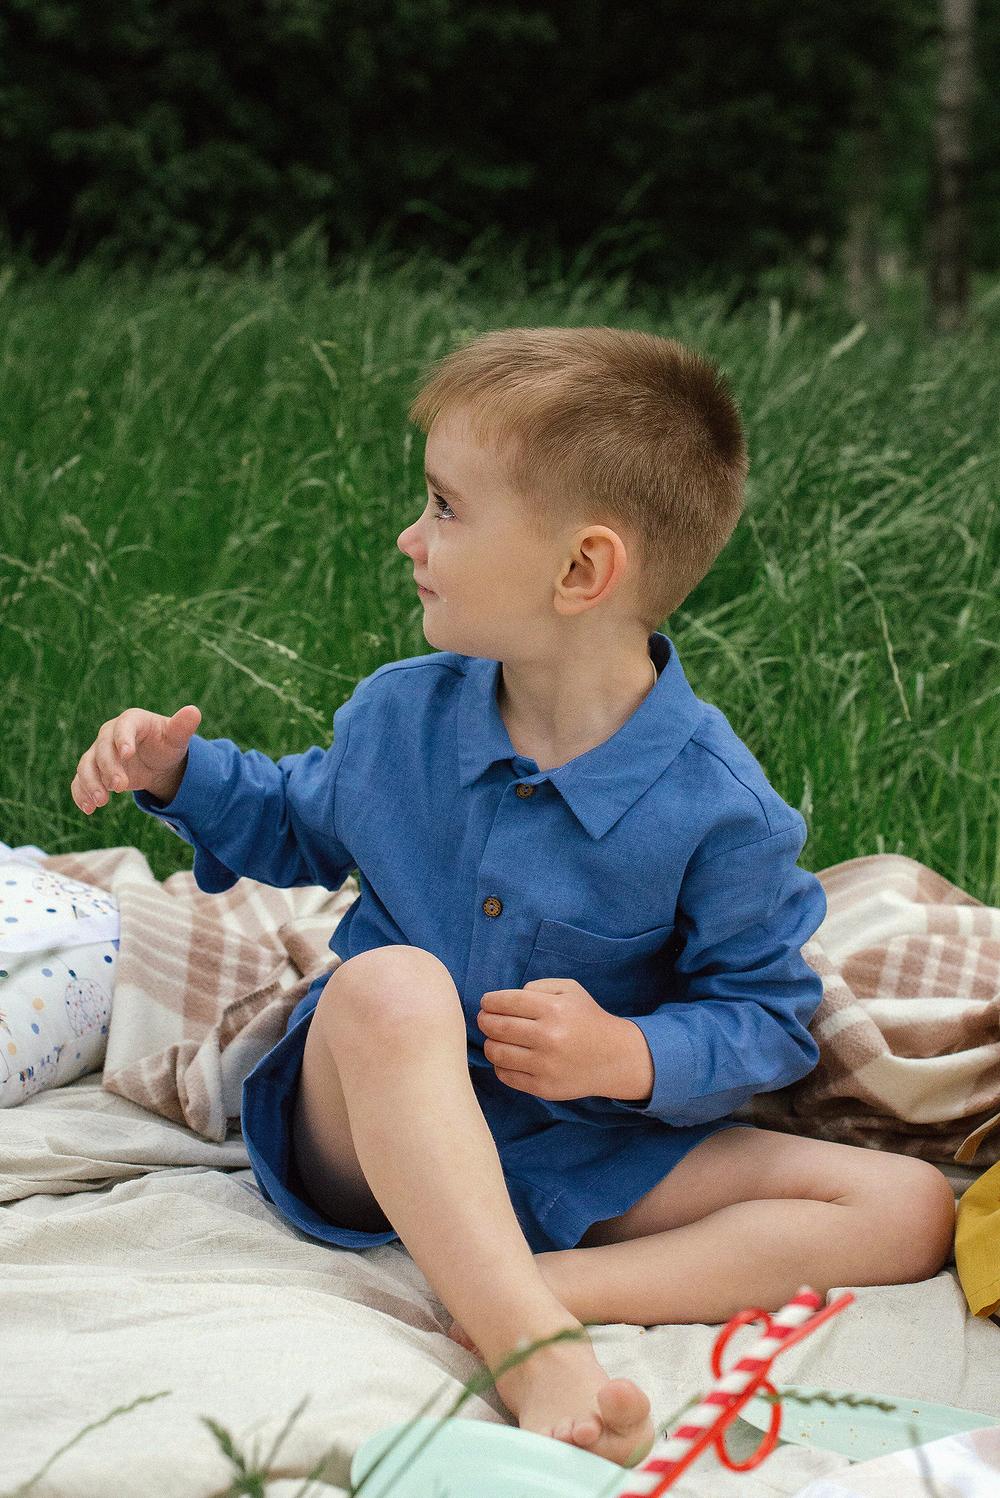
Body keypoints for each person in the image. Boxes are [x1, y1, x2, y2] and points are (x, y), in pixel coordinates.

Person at [71, 326, 956, 1469]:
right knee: (392, 986)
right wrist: (181, 773)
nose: (409, 536)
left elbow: (768, 1017)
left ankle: (547, 1283)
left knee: (904, 1207)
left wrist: (627, 1057)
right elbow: (298, 819)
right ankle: (530, 1345)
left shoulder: (720, 808)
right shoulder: (402, 716)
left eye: (445, 507)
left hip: (572, 1148)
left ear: (581, 571)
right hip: (360, 1127)